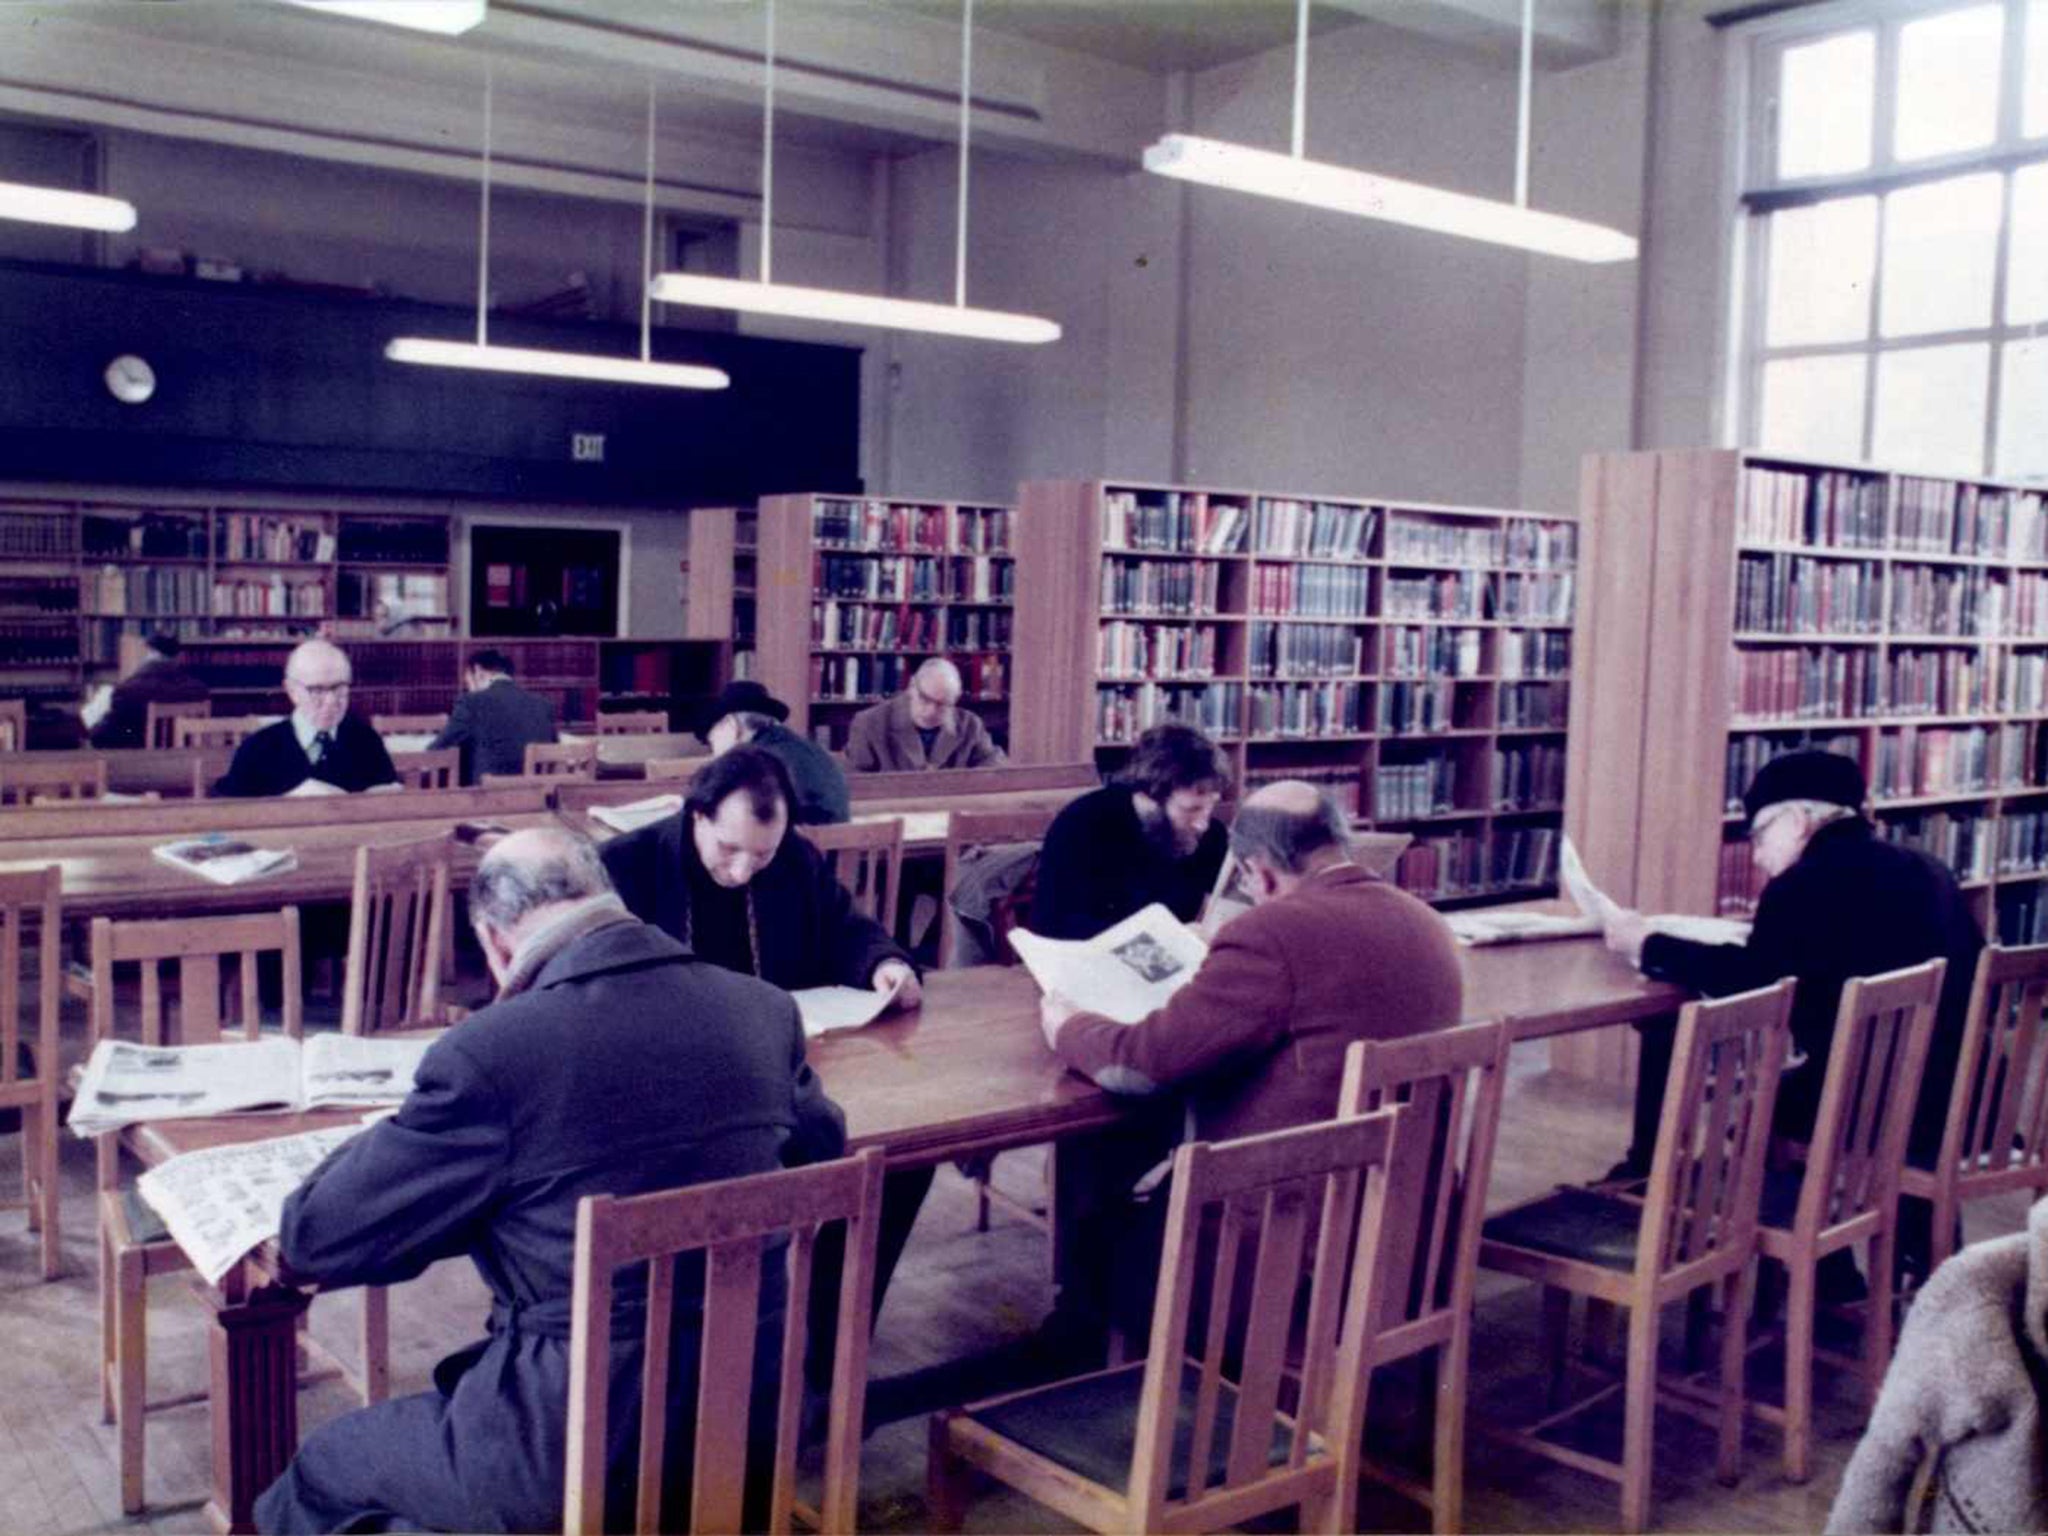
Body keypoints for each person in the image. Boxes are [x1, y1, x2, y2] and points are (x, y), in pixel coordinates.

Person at [254, 827, 847, 1534]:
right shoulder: (761, 1008)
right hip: (756, 1419)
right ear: (606, 898)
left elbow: (317, 1236)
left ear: (494, 941)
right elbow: (821, 1148)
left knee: (325, 1465)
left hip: (576, 1444)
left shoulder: (490, 1054)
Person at [1039, 779, 1465, 1338]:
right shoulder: (1427, 923)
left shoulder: (1273, 933)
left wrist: (1067, 1025)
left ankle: (1110, 1391)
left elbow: (1138, 1066)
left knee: (1098, 1241)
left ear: (1257, 872)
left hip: (1289, 1265)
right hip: (1411, 1243)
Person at [1600, 749, 1983, 1282]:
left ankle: (1820, 1278)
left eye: (1758, 835)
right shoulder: (1930, 871)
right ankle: (1915, 1259)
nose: (1755, 856)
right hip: (1964, 1098)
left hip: (1879, 1110)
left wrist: (1649, 943)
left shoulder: (1803, 885)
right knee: (1805, 1088)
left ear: (1798, 821)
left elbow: (1760, 985)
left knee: (1766, 1112)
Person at [1030, 721, 1231, 941]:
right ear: (1149, 797)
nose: (1203, 823)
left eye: (1211, 805)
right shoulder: (1083, 823)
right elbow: (1052, 926)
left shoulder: (1212, 835)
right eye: (1191, 809)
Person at [213, 639, 398, 797]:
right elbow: (231, 815)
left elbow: (389, 802)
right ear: (292, 691)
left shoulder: (366, 741)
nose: (331, 701)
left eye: (340, 688)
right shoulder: (258, 748)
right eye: (317, 690)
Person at [698, 678, 849, 825]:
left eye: (712, 742)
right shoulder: (816, 751)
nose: (714, 753)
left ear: (732, 726)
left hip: (784, 848)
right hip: (832, 848)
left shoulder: (751, 761)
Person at [843, 657, 1005, 772]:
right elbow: (855, 782)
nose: (931, 712)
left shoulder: (970, 725)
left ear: (955, 700)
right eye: (925, 699)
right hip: (891, 811)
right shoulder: (869, 723)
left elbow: (994, 765)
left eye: (943, 705)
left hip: (950, 810)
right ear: (912, 686)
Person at [427, 647, 557, 784]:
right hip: (535, 796)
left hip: (487, 796)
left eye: (468, 683)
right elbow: (552, 752)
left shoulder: (471, 702)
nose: (469, 688)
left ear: (477, 671)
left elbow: (437, 750)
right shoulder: (543, 704)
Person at [87, 631, 210, 749]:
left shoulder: (126, 691)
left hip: (140, 762)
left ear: (148, 653)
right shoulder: (198, 690)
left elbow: (101, 736)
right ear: (178, 657)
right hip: (185, 761)